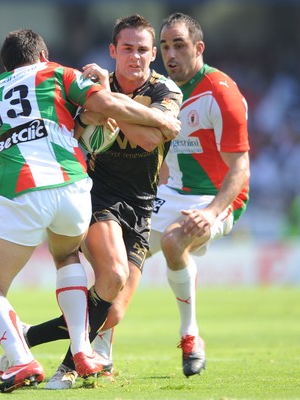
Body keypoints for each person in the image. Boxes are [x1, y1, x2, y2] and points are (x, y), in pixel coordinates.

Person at [0, 28, 181, 394]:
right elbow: (110, 106)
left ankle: (21, 357)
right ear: (42, 54)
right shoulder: (57, 71)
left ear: (6, 65)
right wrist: (163, 120)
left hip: (26, 187)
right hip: (76, 190)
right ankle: (83, 350)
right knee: (67, 253)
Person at [90, 11, 251, 378]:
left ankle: (190, 334)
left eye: (179, 44)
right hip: (171, 194)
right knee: (116, 261)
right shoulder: (159, 91)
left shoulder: (221, 93)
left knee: (177, 241)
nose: (170, 53)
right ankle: (101, 351)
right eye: (164, 45)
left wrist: (211, 212)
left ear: (199, 47)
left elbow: (240, 168)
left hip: (217, 197)